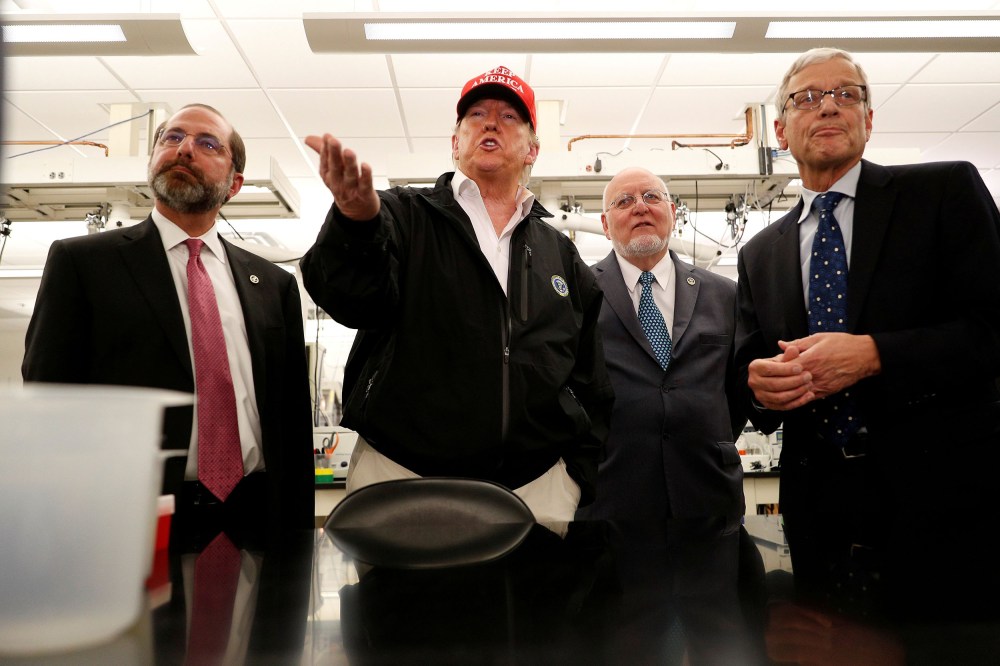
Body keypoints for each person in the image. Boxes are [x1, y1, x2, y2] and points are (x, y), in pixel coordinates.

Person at [735, 48, 1000, 613]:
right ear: (780, 129)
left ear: (869, 120)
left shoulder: (944, 194)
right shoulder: (761, 253)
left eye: (846, 94)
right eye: (807, 98)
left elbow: (991, 329)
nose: (828, 106)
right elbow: (748, 370)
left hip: (943, 510)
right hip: (818, 516)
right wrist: (758, 385)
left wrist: (877, 354)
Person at [300, 65, 614, 524]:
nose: (490, 123)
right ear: (455, 142)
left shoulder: (562, 256)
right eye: (477, 114)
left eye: (509, 117)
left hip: (537, 490)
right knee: (396, 600)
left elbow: (591, 381)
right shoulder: (401, 215)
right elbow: (349, 299)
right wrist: (355, 222)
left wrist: (575, 476)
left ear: (533, 149)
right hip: (403, 477)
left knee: (539, 598)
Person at [22, 103, 315, 536]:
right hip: (128, 515)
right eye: (172, 138)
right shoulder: (84, 263)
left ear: (234, 184)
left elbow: (291, 419)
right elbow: (49, 398)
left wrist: (297, 528)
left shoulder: (272, 283)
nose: (184, 149)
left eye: (207, 143)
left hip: (256, 511)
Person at [576, 167, 746, 522]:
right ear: (605, 225)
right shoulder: (579, 295)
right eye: (624, 201)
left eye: (652, 197)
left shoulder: (725, 294)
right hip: (613, 501)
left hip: (709, 498)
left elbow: (737, 391)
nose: (640, 207)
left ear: (671, 213)